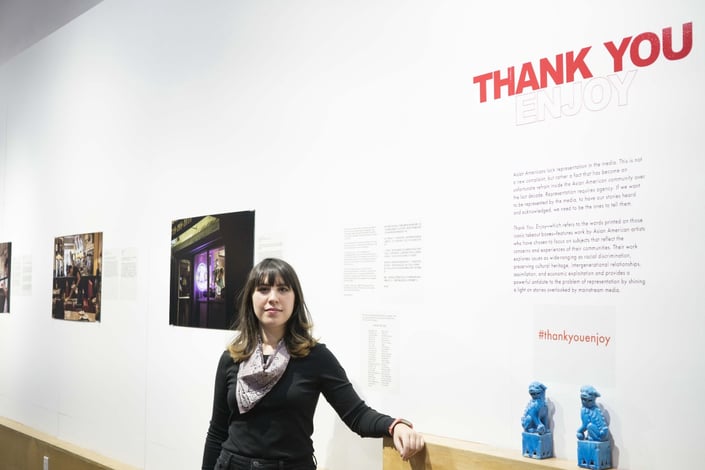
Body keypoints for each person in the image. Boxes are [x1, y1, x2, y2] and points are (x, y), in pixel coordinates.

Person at [202, 258, 424, 470]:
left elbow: (356, 415)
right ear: (251, 298)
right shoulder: (232, 358)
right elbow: (217, 431)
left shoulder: (315, 357)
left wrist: (395, 425)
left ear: (295, 298)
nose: (273, 298)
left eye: (282, 289)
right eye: (263, 289)